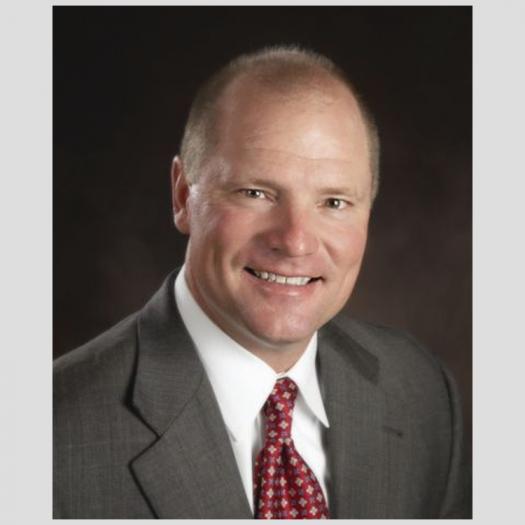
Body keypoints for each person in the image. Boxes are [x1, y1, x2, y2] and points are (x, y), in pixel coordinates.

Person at [53, 46, 470, 519]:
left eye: (334, 202)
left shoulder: (422, 393)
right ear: (183, 196)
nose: (295, 241)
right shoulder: (52, 437)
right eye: (256, 193)